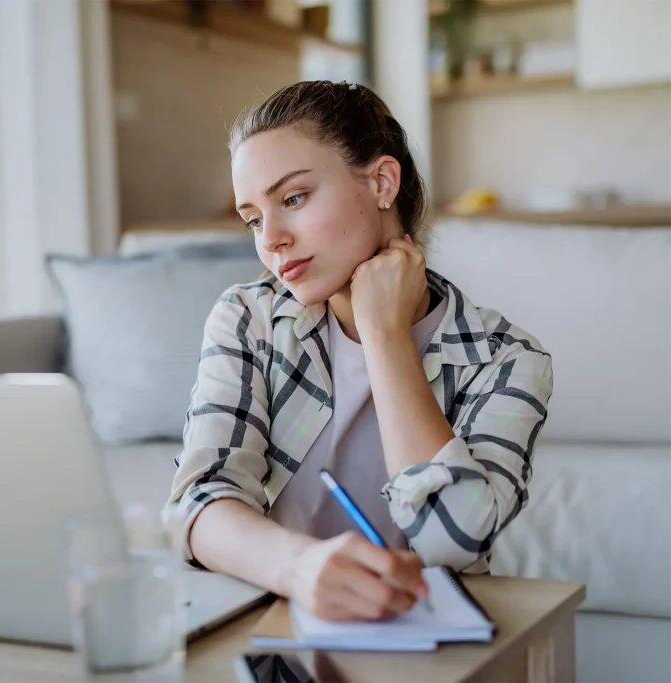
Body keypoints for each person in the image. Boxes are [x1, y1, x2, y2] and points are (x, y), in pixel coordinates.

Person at [166, 81, 553, 623]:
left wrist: (385, 335)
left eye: (294, 198)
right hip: (274, 626)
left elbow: (453, 540)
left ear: (381, 182)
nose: (271, 238)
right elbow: (199, 503)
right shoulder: (248, 320)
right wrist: (301, 568)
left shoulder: (506, 360)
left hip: (428, 645)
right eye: (254, 218)